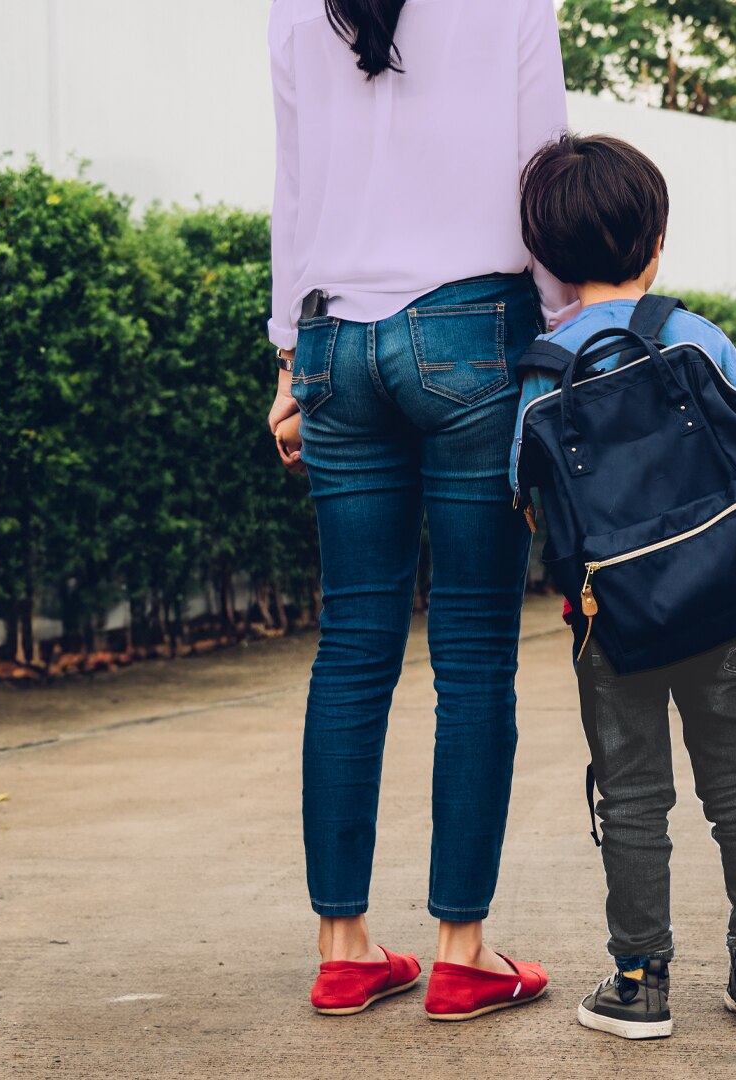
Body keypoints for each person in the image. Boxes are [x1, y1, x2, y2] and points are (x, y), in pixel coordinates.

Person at [264, 0, 574, 1020]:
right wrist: (567, 344)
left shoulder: (298, 5)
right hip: (471, 331)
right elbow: (547, 175)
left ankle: (344, 947)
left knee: (352, 640)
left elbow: (295, 182)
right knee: (476, 650)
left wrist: (285, 359)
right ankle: (461, 951)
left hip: (335, 344)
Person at [513, 134, 736, 1040]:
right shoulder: (692, 337)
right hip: (722, 610)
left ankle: (638, 985)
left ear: (545, 262)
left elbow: (526, 507)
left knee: (633, 800)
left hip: (615, 628)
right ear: (658, 240)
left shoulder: (538, 376)